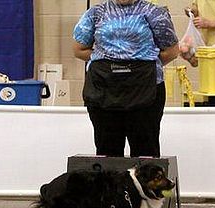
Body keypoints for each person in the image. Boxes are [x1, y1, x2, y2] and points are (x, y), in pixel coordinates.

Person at [73, 0, 179, 157]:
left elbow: (171, 51)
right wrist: (111, 61)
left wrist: (140, 65)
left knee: (145, 151)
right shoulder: (95, 13)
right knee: (107, 151)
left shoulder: (155, 13)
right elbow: (79, 50)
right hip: (104, 90)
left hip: (146, 91)